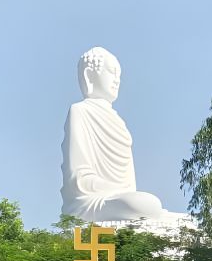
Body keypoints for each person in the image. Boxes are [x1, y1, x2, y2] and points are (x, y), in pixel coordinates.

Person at [60, 47, 170, 222]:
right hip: (88, 202)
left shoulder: (118, 121)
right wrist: (115, 190)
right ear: (90, 75)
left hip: (120, 198)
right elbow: (77, 178)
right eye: (111, 73)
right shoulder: (80, 111)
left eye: (119, 75)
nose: (116, 80)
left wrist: (124, 193)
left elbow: (130, 186)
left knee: (145, 203)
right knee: (142, 204)